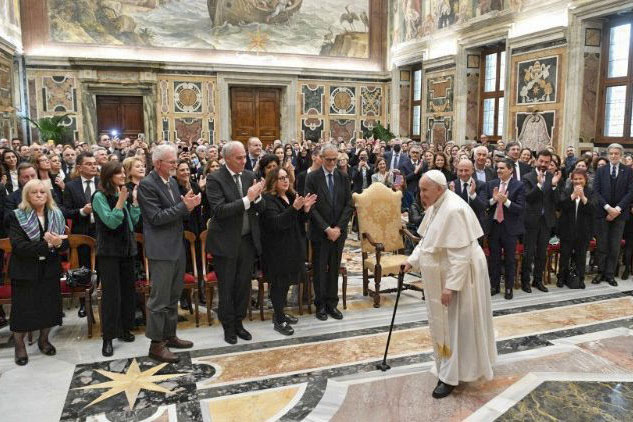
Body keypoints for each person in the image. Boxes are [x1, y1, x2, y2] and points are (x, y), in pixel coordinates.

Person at [403, 170, 496, 399]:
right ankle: (448, 367)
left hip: (463, 276)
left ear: (439, 189)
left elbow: (460, 255)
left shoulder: (453, 210)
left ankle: (452, 377)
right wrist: (411, 261)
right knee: (448, 324)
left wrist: (450, 287)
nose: (420, 193)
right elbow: (428, 240)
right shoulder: (437, 205)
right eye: (421, 189)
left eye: (425, 189)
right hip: (448, 271)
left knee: (458, 324)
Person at [138, 143, 201, 363]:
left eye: (175, 161)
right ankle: (156, 345)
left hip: (176, 245)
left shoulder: (172, 182)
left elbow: (176, 213)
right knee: (159, 299)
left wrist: (188, 205)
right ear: (157, 164)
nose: (176, 165)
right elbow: (156, 218)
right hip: (161, 249)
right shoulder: (147, 185)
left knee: (173, 295)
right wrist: (184, 207)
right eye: (172, 162)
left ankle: (169, 335)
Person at [206, 141, 266, 344]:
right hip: (225, 242)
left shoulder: (249, 176)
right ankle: (228, 326)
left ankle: (239, 322)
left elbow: (261, 206)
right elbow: (219, 210)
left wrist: (257, 198)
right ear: (227, 159)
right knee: (227, 286)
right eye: (239, 158)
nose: (243, 161)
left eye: (243, 157)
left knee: (243, 286)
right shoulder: (215, 179)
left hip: (247, 241)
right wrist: (248, 199)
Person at [8, 179, 68, 365]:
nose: (39, 195)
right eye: (34, 192)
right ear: (27, 195)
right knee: (23, 310)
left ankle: (44, 340)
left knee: (48, 307)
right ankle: (19, 346)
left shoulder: (56, 214)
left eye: (43, 192)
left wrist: (58, 243)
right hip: (25, 271)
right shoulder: (17, 216)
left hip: (49, 269)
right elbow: (18, 246)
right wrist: (48, 244)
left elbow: (64, 243)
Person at [93, 161, 141, 357]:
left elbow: (132, 222)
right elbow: (112, 222)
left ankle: (124, 329)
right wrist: (122, 201)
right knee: (111, 295)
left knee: (128, 292)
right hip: (109, 252)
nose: (123, 176)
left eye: (123, 172)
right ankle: (108, 337)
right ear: (108, 176)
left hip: (127, 250)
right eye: (119, 173)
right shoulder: (99, 197)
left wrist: (135, 202)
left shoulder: (122, 192)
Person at [261, 167, 316, 335]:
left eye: (286, 177)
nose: (285, 181)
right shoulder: (268, 199)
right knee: (279, 285)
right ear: (273, 181)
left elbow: (299, 221)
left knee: (286, 284)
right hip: (277, 250)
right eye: (281, 178)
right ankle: (278, 319)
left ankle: (281, 313)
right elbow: (276, 224)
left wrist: (305, 210)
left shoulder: (292, 195)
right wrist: (294, 208)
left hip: (293, 247)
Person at [305, 144, 353, 321]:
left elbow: (349, 204)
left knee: (334, 268)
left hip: (338, 233)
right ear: (321, 158)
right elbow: (311, 207)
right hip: (320, 232)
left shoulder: (343, 177)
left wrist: (338, 228)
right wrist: (326, 228)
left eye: (335, 159)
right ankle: (320, 305)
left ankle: (332, 304)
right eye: (329, 159)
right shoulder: (312, 178)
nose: (332, 163)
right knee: (319, 269)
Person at [592, 143, 633, 286]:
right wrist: (608, 208)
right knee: (602, 245)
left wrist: (618, 209)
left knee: (615, 246)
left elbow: (630, 192)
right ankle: (600, 273)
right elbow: (596, 192)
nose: (614, 156)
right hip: (602, 213)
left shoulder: (628, 171)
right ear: (608, 155)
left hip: (620, 215)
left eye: (617, 153)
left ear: (621, 155)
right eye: (611, 153)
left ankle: (610, 274)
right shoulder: (601, 170)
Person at [520, 150, 561, 293]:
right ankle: (525, 281)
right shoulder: (527, 177)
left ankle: (537, 280)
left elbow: (557, 201)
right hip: (531, 221)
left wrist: (554, 186)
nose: (543, 164)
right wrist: (539, 185)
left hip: (546, 221)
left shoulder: (552, 177)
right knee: (528, 252)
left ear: (550, 163)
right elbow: (528, 197)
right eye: (541, 161)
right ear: (536, 160)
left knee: (542, 253)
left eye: (547, 162)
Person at [486, 158, 526, 300]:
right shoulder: (491, 184)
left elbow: (520, 208)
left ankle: (509, 288)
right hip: (494, 226)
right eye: (497, 168)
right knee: (494, 259)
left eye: (502, 168)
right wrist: (494, 200)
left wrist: (506, 201)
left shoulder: (519, 186)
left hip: (510, 228)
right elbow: (484, 203)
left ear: (510, 170)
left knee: (509, 259)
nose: (499, 171)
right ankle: (494, 286)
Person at [557, 169, 595, 289]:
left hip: (583, 231)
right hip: (567, 230)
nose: (578, 181)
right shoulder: (567, 190)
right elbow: (560, 206)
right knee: (564, 256)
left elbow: (593, 209)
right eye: (575, 179)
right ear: (571, 179)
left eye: (580, 179)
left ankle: (580, 279)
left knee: (581, 257)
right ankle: (561, 278)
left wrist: (583, 197)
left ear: (585, 180)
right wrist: (573, 196)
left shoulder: (591, 191)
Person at [449, 159, 488, 234]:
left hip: (475, 227)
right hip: (456, 227)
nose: (463, 173)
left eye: (466, 170)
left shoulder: (481, 185)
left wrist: (473, 194)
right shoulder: (451, 185)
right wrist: (452, 196)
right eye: (460, 170)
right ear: (457, 171)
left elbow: (483, 207)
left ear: (472, 170)